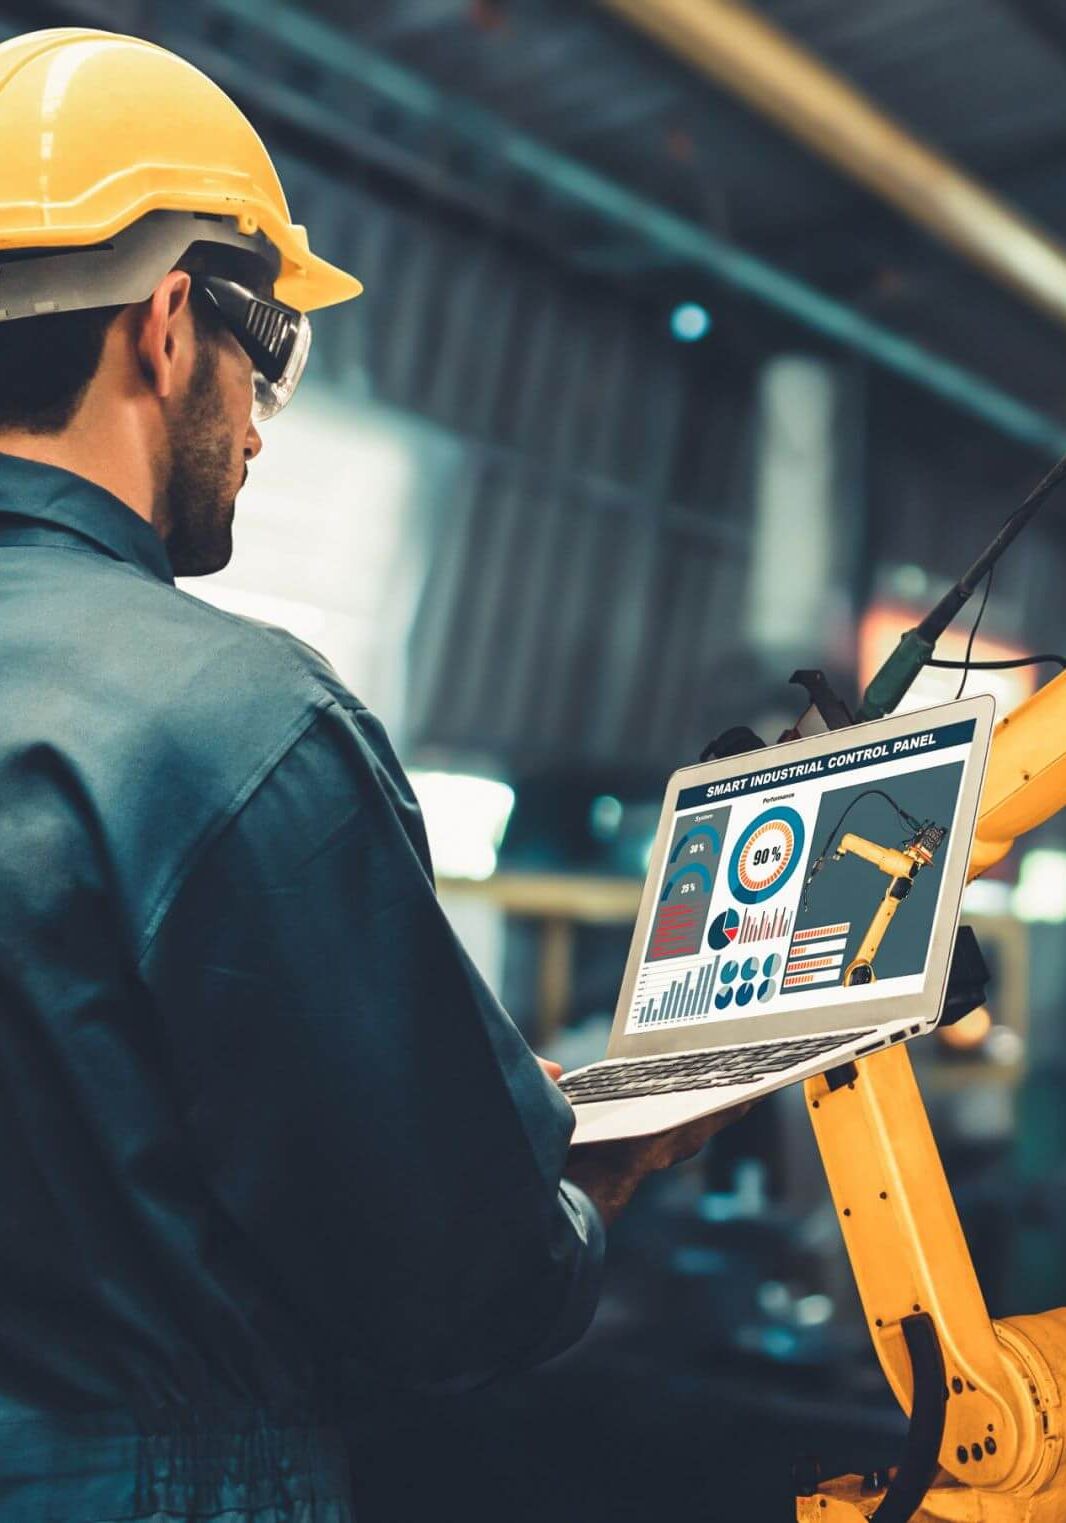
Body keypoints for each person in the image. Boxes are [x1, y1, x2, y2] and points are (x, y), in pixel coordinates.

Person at [0, 28, 748, 1523]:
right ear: (164, 326)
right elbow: (454, 1291)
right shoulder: (238, 721)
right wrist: (567, 1188)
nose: (267, 412)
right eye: (266, 342)